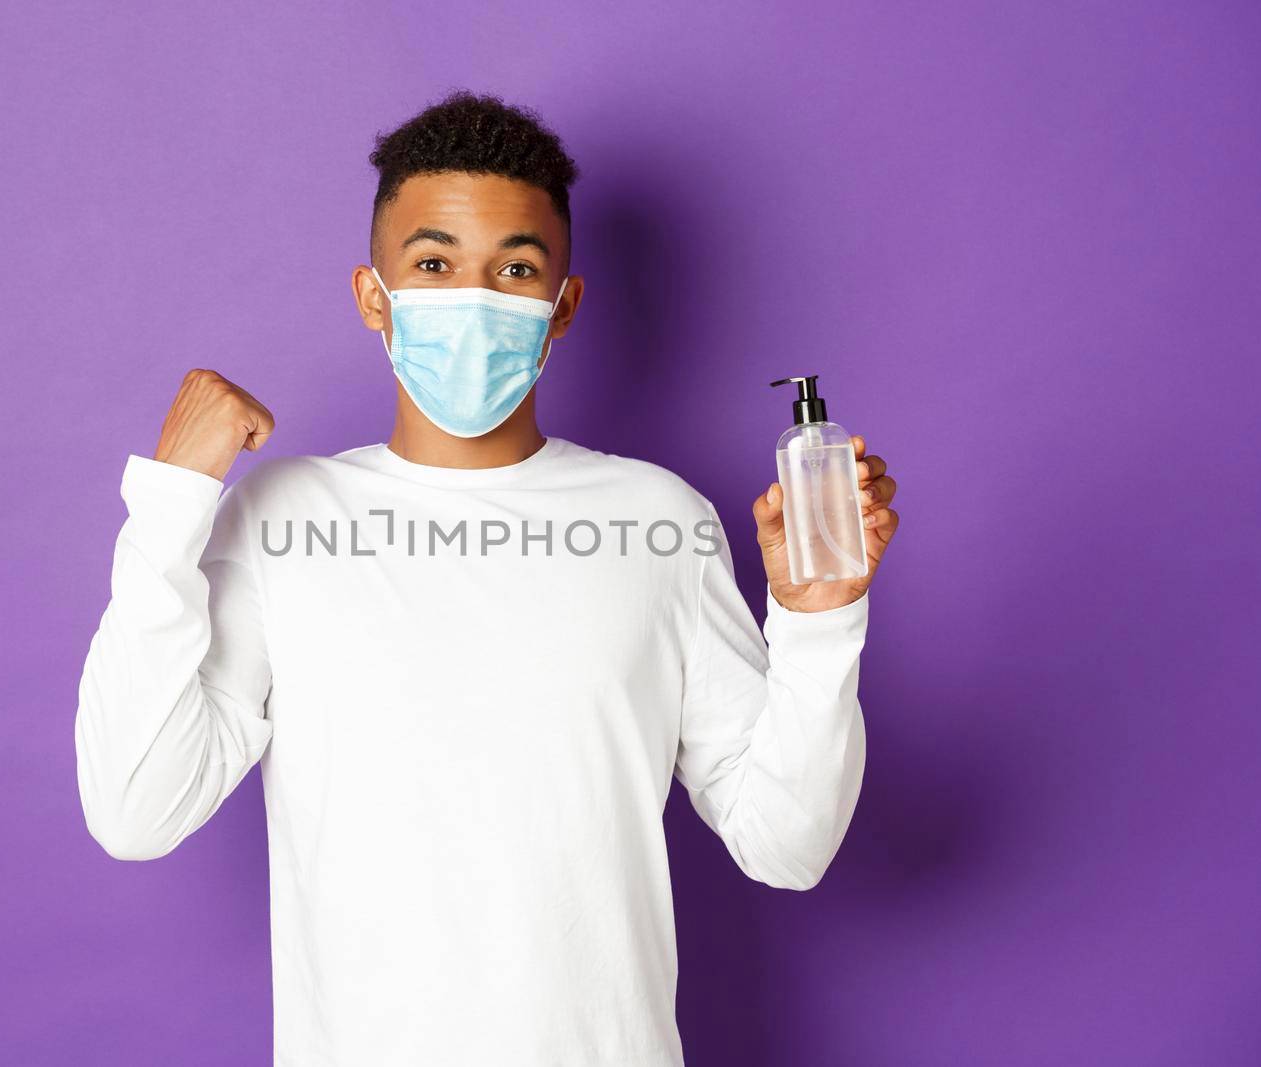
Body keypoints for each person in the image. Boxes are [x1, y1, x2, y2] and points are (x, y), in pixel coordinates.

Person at [74, 89, 901, 1067]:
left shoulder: (658, 519)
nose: (473, 298)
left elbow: (787, 841)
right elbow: (134, 808)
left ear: (564, 306)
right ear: (373, 295)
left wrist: (818, 622)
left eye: (515, 269)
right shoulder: (283, 518)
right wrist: (170, 500)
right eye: (433, 264)